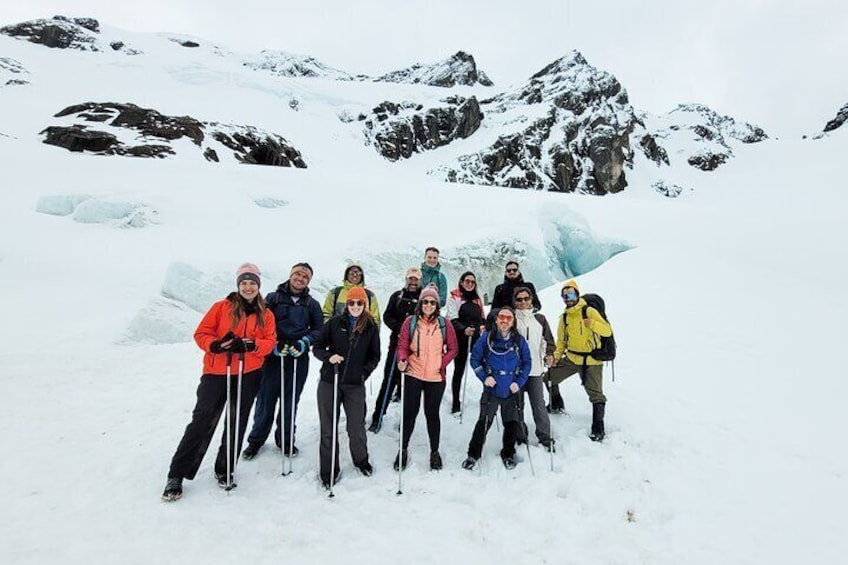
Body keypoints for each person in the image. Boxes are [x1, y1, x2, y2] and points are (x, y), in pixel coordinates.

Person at [162, 263, 277, 501]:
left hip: (248, 373)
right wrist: (215, 345)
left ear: (258, 286)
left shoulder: (265, 314)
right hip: (217, 372)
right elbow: (202, 333)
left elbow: (270, 342)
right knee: (202, 420)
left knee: (237, 421)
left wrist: (252, 345)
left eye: (252, 283)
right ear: (238, 285)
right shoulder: (221, 307)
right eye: (244, 283)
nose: (248, 287)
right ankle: (177, 474)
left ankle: (225, 468)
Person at [242, 262, 324, 460]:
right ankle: (256, 441)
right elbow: (260, 323)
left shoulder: (312, 304)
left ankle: (286, 440)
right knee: (265, 400)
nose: (300, 278)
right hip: (272, 357)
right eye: (297, 274)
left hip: (297, 357)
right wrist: (273, 344)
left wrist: (305, 342)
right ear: (291, 275)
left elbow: (319, 329)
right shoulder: (273, 298)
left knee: (290, 400)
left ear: (308, 281)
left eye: (305, 277)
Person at [312, 287, 381, 488]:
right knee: (328, 427)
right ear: (346, 304)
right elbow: (317, 347)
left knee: (356, 426)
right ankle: (328, 470)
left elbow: (374, 356)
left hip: (354, 385)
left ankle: (361, 460)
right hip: (329, 381)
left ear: (365, 305)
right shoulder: (334, 323)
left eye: (359, 303)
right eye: (352, 303)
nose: (355, 306)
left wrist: (362, 374)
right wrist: (328, 357)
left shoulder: (371, 327)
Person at [395, 285, 458, 471]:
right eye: (426, 301)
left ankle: (434, 451)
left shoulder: (445, 324)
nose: (429, 305)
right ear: (420, 303)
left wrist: (441, 364)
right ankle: (403, 448)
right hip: (413, 373)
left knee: (432, 415)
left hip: (435, 377)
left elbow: (454, 348)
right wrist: (402, 359)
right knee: (409, 414)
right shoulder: (410, 322)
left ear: (437, 305)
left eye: (432, 302)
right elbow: (402, 346)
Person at [461, 307, 531, 470]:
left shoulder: (519, 340)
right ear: (497, 319)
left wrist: (519, 382)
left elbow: (527, 363)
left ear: (513, 321)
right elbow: (475, 360)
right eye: (502, 317)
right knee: (484, 421)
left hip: (511, 388)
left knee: (511, 424)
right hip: (492, 388)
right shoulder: (487, 338)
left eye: (509, 318)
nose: (505, 320)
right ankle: (473, 454)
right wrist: (485, 378)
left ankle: (508, 453)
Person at [549, 279, 612, 442]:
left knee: (596, 395)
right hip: (571, 358)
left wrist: (592, 324)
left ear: (577, 294)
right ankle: (556, 404)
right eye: (564, 295)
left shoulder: (588, 311)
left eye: (570, 293)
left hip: (591, 361)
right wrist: (556, 356)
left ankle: (598, 429)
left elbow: (607, 331)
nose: (567, 297)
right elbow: (561, 341)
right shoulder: (564, 318)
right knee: (548, 378)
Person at [368, 267, 422, 432]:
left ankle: (406, 420)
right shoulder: (397, 296)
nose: (412, 282)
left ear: (420, 281)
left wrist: (412, 331)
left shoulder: (423, 298)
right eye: (410, 278)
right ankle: (378, 416)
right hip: (396, 344)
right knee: (389, 380)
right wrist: (399, 328)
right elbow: (387, 315)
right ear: (406, 279)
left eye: (415, 279)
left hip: (415, 347)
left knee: (410, 383)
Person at [512, 286, 556, 451]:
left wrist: (549, 354)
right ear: (514, 302)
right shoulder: (511, 319)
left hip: (535, 370)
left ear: (532, 299)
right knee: (517, 406)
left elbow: (549, 341)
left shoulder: (540, 319)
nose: (523, 302)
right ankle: (520, 437)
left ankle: (545, 438)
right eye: (519, 299)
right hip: (516, 372)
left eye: (526, 298)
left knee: (539, 405)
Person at [446, 271, 486, 414]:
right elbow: (452, 319)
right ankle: (456, 401)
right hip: (460, 338)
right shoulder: (455, 297)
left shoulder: (477, 299)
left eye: (472, 282)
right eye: (467, 281)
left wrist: (484, 326)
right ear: (462, 282)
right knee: (459, 369)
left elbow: (482, 317)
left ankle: (488, 397)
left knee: (484, 366)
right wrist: (464, 330)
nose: (469, 284)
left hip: (475, 337)